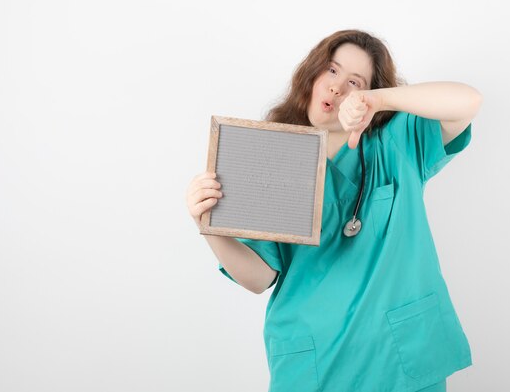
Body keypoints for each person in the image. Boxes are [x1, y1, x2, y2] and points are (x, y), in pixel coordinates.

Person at [186, 29, 482, 392]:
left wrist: (377, 100)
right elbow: (258, 277)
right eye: (331, 70)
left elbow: (467, 102)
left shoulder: (397, 143)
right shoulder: (274, 161)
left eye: (354, 81)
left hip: (399, 360)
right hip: (316, 362)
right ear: (311, 75)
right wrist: (208, 226)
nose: (338, 87)